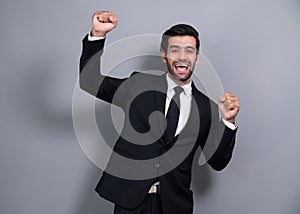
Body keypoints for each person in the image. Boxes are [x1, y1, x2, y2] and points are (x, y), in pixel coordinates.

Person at [79, 11, 240, 214]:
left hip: (174, 206)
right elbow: (90, 82)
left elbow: (217, 162)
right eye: (175, 50)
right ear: (164, 56)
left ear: (197, 58)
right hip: (130, 202)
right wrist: (98, 35)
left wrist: (228, 121)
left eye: (189, 51)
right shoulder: (138, 85)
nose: (182, 57)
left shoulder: (206, 108)